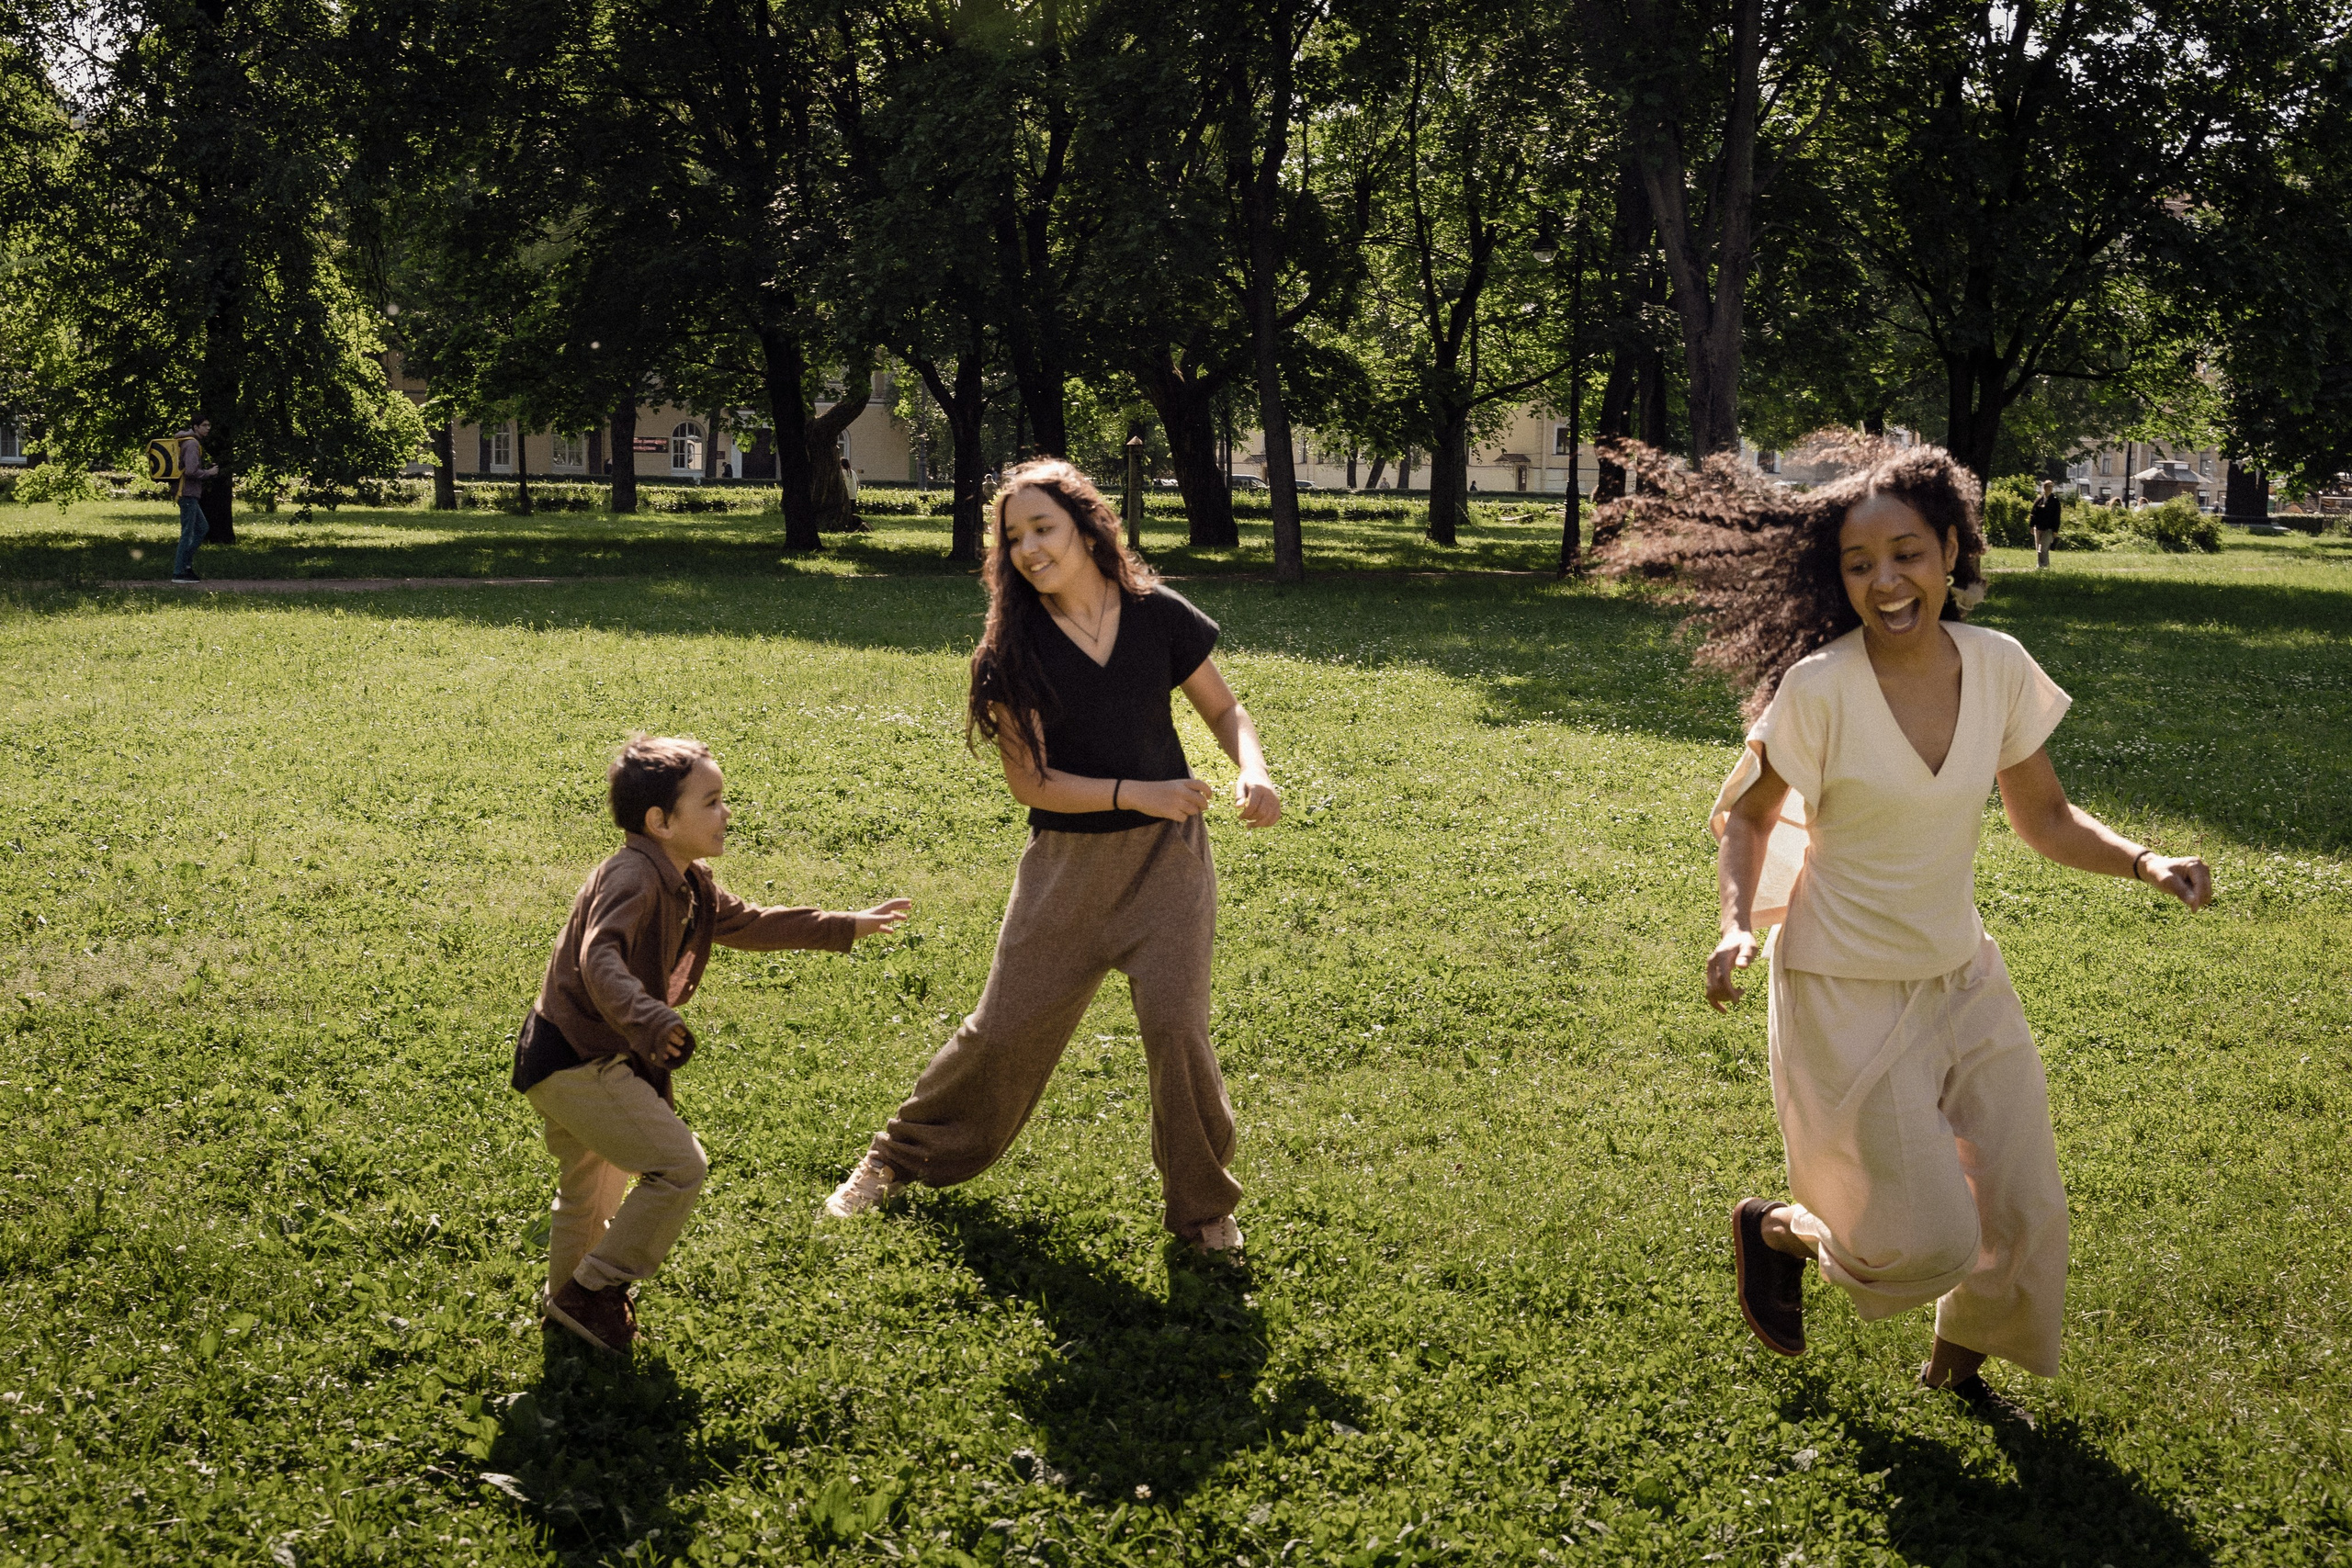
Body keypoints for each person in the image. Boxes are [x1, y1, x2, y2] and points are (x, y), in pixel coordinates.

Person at [1603, 437, 2212, 1411]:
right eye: (1858, 563)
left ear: (1951, 550)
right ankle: (1777, 1231)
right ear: (1836, 577)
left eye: (1907, 553)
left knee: (2022, 1201)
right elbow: (1752, 816)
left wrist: (2144, 862)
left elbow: (2044, 818)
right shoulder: (1819, 689)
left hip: (1960, 974)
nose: (1885, 581)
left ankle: (1957, 1366)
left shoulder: (1999, 667)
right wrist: (1731, 924)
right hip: (1844, 986)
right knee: (1924, 1238)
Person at [824, 457, 1280, 1253]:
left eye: (1044, 528)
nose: (1030, 547)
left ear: (1086, 525)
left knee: (1178, 1029)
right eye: (1014, 537)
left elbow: (1222, 704)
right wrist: (1140, 791)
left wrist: (1255, 769)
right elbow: (1033, 785)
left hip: (1167, 865)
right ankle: (895, 1157)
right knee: (1002, 1032)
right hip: (1066, 872)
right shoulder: (1012, 650)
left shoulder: (1155, 614)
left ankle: (1204, 1209)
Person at [514, 735, 911, 1353]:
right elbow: (601, 958)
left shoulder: (686, 879)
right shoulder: (633, 878)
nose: (727, 813)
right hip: (578, 1058)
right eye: (712, 801)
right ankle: (592, 1291)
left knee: (591, 1187)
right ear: (661, 821)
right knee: (679, 1166)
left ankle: (570, 1316)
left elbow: (749, 922)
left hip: (563, 1051)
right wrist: (648, 1019)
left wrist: (845, 923)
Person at [169, 417, 219, 583]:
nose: (208, 428)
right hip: (187, 493)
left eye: (209, 425)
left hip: (189, 493)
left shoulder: (190, 442)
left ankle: (186, 566)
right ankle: (179, 572)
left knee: (202, 528)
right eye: (204, 425)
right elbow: (191, 471)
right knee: (187, 533)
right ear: (195, 427)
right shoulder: (192, 444)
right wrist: (208, 473)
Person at [2028, 479, 2063, 570]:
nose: (2050, 488)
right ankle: (2040, 566)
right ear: (2044, 488)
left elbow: (2057, 516)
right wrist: (2031, 526)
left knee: (2044, 548)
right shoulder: (2039, 500)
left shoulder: (2055, 501)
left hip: (2049, 528)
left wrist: (2055, 530)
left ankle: (2044, 566)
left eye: (2051, 487)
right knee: (2038, 549)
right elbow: (2033, 513)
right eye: (2048, 486)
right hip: (2038, 528)